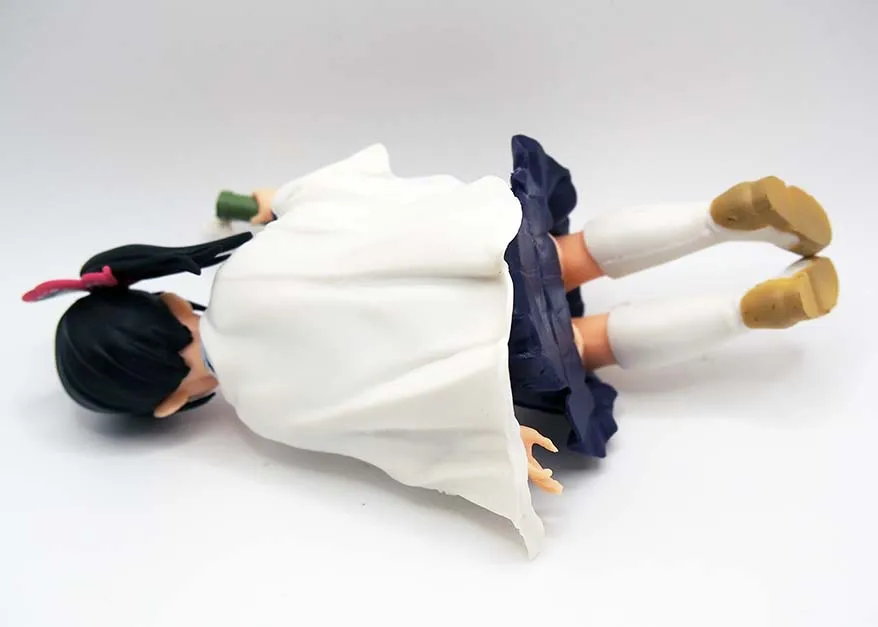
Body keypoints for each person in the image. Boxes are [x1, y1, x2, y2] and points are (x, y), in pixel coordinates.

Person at [23, 135, 838, 557]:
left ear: (167, 404)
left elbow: (385, 428)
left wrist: (491, 441)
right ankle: (713, 217)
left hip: (498, 355)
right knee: (575, 250)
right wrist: (266, 199)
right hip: (480, 251)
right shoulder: (246, 264)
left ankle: (744, 313)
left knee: (593, 342)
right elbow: (333, 202)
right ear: (165, 298)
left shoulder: (263, 411)